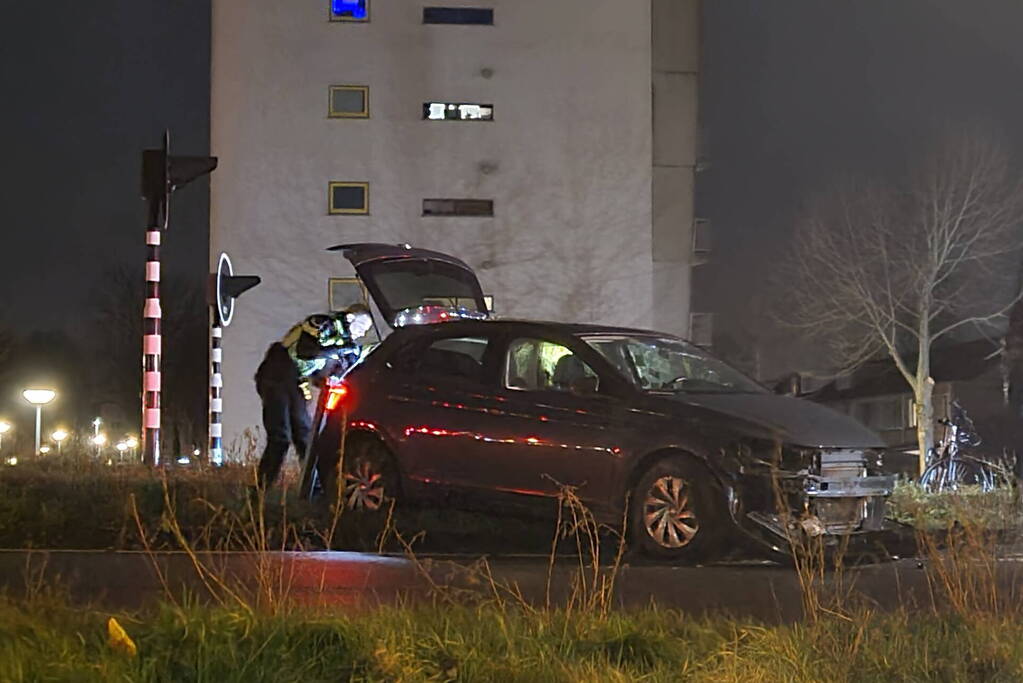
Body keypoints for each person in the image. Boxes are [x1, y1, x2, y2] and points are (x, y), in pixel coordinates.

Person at [254, 304, 373, 488]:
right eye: (362, 327)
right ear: (350, 318)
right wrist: (339, 351)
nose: (362, 333)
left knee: (305, 437)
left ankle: (314, 490)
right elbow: (306, 351)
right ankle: (259, 491)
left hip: (295, 381)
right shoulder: (323, 324)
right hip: (276, 373)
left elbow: (321, 373)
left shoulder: (343, 342)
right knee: (280, 436)